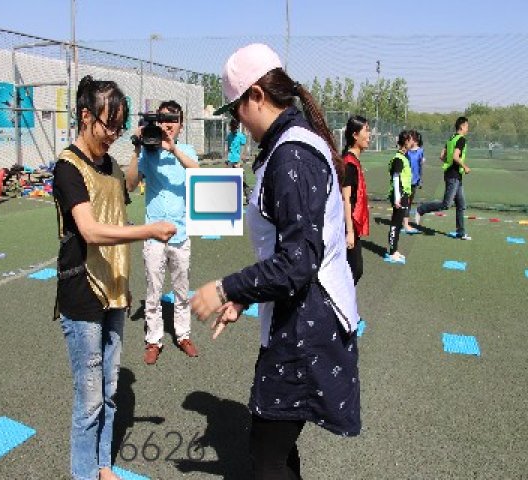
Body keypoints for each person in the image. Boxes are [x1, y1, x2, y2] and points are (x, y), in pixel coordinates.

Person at [191, 43, 360, 480]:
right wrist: (245, 298)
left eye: (236, 110)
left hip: (307, 322)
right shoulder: (292, 144)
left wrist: (226, 289)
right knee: (276, 448)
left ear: (257, 96)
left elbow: (297, 262)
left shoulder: (292, 153)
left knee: (268, 455)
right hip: (302, 314)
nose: (238, 121)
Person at [52, 75, 176, 480]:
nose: (113, 135)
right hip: (83, 289)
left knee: (109, 393)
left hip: (116, 289)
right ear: (86, 116)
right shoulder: (67, 167)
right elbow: (90, 231)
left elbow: (129, 186)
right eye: (110, 125)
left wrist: (141, 147)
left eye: (120, 128)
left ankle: (103, 465)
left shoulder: (109, 164)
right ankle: (84, 473)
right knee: (89, 400)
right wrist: (148, 230)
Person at [126, 100, 200, 365]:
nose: (168, 124)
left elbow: (198, 174)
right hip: (154, 235)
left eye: (173, 119)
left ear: (181, 124)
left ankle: (183, 335)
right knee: (153, 291)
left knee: (182, 290)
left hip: (181, 234)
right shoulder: (148, 151)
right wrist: (137, 148)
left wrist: (173, 148)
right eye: (163, 119)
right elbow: (130, 185)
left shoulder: (187, 150)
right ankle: (154, 340)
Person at [415, 116, 472, 240]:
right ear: (462, 126)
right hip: (454, 176)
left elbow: (442, 156)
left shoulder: (451, 138)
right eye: (467, 126)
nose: (468, 129)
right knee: (446, 204)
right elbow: (456, 157)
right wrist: (465, 167)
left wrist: (449, 162)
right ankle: (421, 209)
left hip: (454, 175)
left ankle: (461, 232)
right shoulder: (461, 139)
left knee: (461, 204)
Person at [341, 115, 371, 285]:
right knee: (354, 270)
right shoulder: (349, 163)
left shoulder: (354, 161)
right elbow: (345, 199)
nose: (369, 135)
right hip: (347, 225)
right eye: (366, 130)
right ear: (355, 135)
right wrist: (349, 232)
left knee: (353, 270)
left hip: (351, 224)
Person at [386, 130, 414, 263]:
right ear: (406, 141)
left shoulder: (404, 157)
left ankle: (395, 250)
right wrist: (397, 197)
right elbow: (396, 177)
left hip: (403, 194)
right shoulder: (398, 158)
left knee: (398, 223)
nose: (412, 142)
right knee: (395, 223)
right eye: (411, 140)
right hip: (399, 195)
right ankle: (392, 252)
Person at [402, 129, 425, 233]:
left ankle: (405, 223)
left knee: (409, 202)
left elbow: (420, 166)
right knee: (405, 202)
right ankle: (405, 224)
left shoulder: (420, 151)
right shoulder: (406, 151)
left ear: (415, 140)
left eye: (410, 138)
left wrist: (420, 179)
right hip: (406, 180)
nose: (408, 140)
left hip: (415, 180)